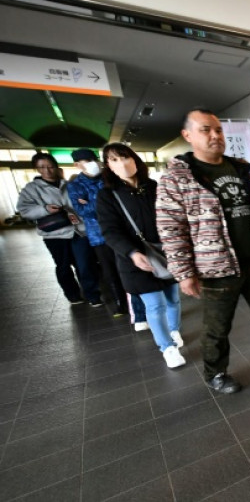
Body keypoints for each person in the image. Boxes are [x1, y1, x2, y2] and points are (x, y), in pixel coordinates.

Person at [156, 108, 250, 393]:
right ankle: (215, 373)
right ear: (187, 135)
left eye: (218, 130)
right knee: (217, 328)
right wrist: (184, 273)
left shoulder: (241, 169)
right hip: (215, 269)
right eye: (205, 130)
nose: (215, 135)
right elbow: (171, 229)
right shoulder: (177, 178)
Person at [96, 143, 186, 369]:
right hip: (135, 260)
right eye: (114, 160)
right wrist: (132, 252)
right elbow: (109, 230)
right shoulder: (107, 195)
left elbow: (172, 217)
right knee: (155, 305)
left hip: (164, 254)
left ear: (135, 159)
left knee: (173, 299)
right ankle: (167, 347)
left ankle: (174, 330)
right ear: (108, 166)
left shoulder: (153, 186)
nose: (122, 163)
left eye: (125, 157)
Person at [17, 152, 102, 306]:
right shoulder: (31, 189)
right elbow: (24, 210)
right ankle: (73, 294)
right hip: (55, 234)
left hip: (78, 230)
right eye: (42, 167)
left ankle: (93, 295)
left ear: (56, 167)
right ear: (36, 169)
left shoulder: (69, 184)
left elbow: (83, 201)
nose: (47, 170)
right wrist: (45, 209)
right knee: (63, 266)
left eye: (50, 166)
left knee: (85, 264)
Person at [67, 148, 130, 318]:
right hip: (99, 235)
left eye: (94, 159)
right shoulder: (75, 185)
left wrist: (91, 201)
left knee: (129, 265)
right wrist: (103, 201)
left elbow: (121, 201)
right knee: (110, 271)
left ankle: (137, 300)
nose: (93, 163)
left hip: (122, 229)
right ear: (77, 165)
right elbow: (82, 211)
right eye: (87, 161)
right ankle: (120, 302)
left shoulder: (110, 177)